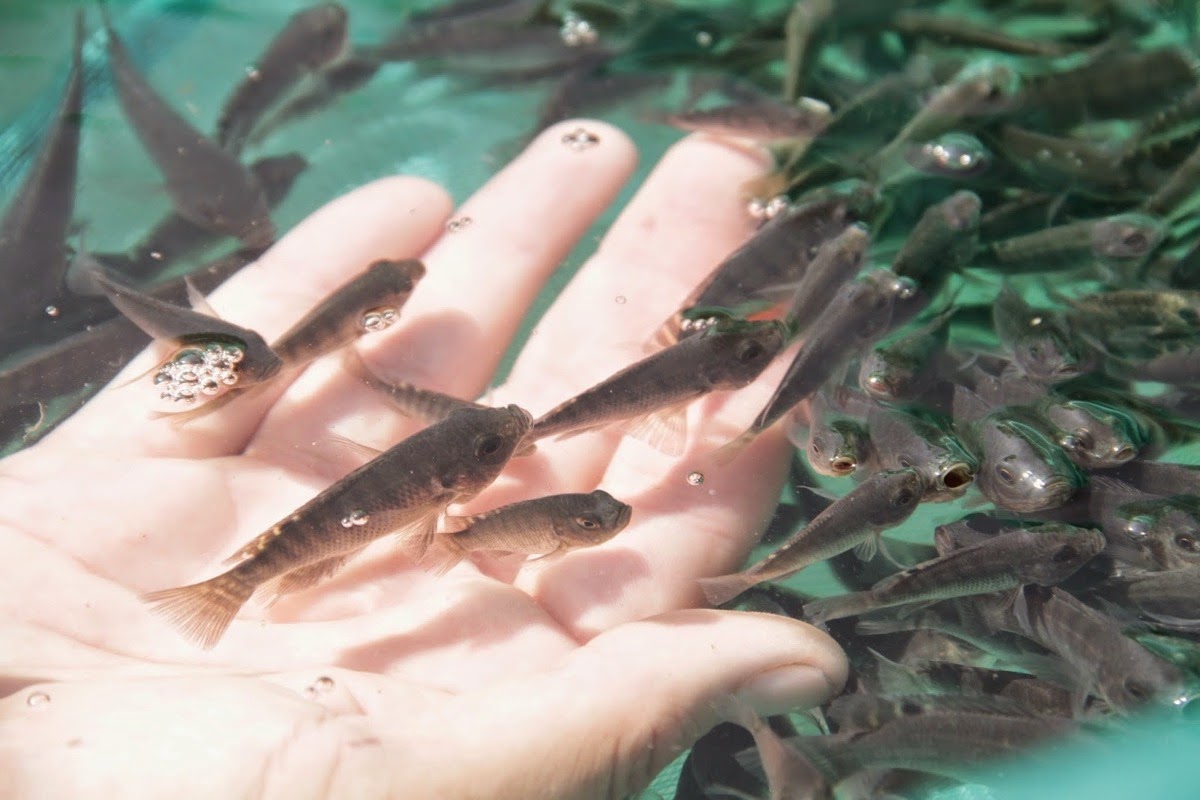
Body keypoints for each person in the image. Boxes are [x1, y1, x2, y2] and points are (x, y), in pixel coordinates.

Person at [0, 120, 846, 799]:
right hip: (365, 521)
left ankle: (239, 582)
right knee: (295, 560)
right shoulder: (443, 494)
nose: (502, 444)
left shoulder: (448, 489)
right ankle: (233, 586)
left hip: (346, 524)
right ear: (453, 481)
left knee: (291, 558)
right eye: (489, 448)